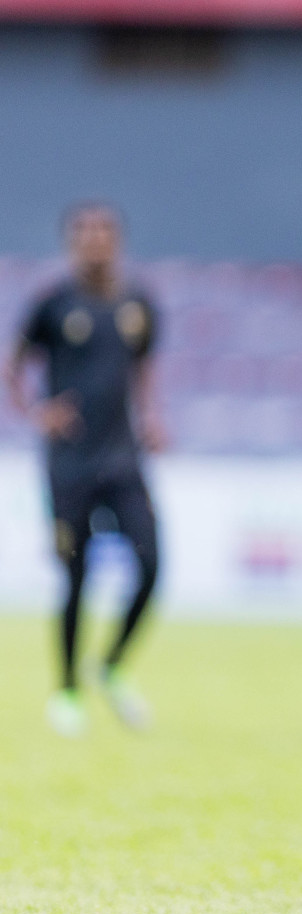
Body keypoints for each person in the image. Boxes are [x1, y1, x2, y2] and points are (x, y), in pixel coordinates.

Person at [5, 203, 164, 737]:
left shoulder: (138, 302)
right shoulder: (54, 302)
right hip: (69, 463)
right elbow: (15, 362)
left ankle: (112, 665)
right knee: (75, 574)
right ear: (73, 242)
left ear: (116, 240)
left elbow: (143, 366)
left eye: (104, 232)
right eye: (86, 233)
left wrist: (152, 419)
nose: (96, 241)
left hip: (122, 459)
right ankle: (69, 690)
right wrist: (34, 411)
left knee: (152, 564)